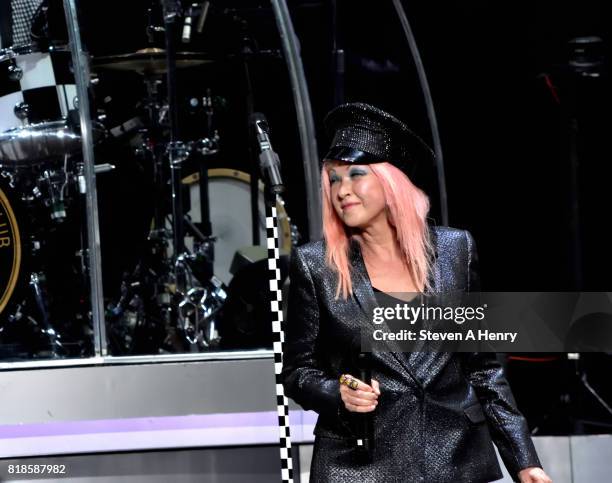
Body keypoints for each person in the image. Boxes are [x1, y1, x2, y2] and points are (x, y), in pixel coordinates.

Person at [281, 102, 553, 483]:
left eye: (356, 175)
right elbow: (297, 372)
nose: (342, 190)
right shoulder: (316, 266)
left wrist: (525, 460)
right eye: (334, 178)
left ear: (392, 181)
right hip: (360, 466)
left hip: (454, 459)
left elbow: (483, 368)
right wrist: (338, 390)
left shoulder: (456, 251)